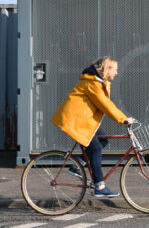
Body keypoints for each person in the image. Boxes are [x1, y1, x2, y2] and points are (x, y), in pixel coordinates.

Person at [51, 56, 135, 198]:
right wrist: (123, 119)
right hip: (76, 120)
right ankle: (99, 187)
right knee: (96, 148)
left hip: (84, 121)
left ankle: (76, 165)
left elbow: (105, 103)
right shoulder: (93, 84)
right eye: (115, 70)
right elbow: (105, 105)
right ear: (107, 69)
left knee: (103, 140)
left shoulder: (99, 82)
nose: (117, 73)